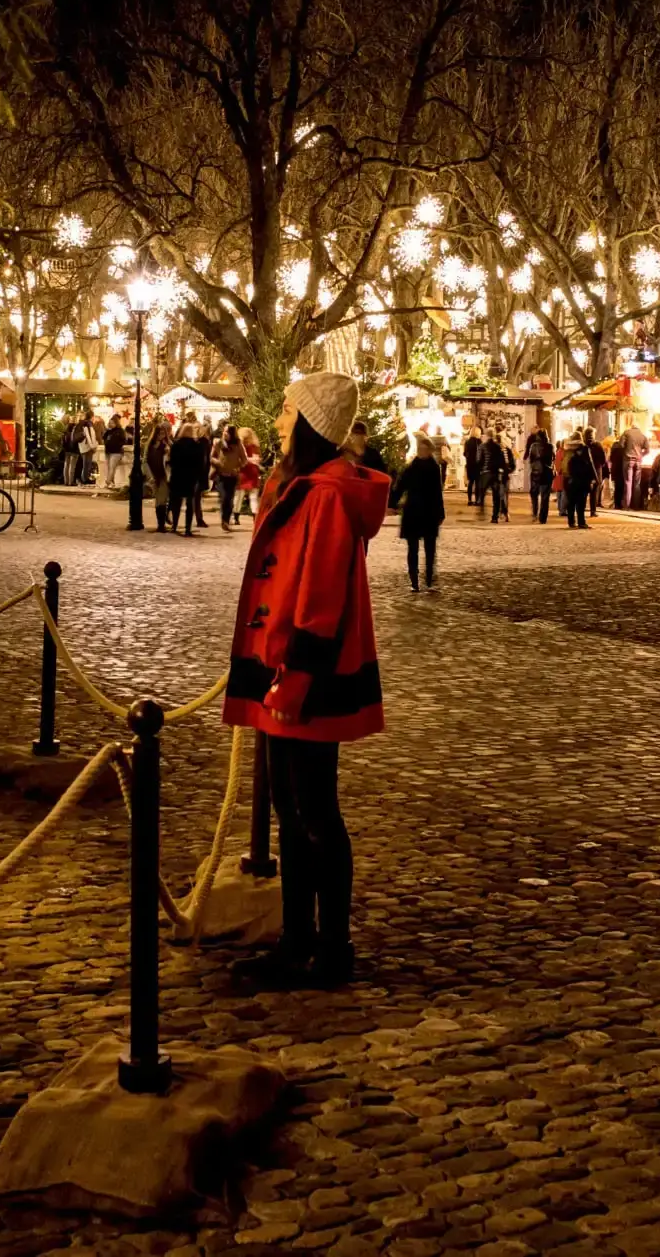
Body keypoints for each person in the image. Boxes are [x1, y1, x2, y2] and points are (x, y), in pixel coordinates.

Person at [225, 371, 388, 990]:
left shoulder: (324, 496)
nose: (277, 419)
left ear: (310, 423)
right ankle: (298, 939)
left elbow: (319, 592)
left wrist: (295, 674)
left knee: (316, 811)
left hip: (305, 671)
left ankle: (329, 945)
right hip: (283, 666)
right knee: (291, 810)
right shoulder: (301, 486)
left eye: (287, 409)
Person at [395, 433, 445, 592]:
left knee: (430, 549)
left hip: (429, 512)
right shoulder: (412, 467)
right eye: (420, 448)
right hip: (413, 512)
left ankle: (429, 578)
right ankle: (414, 580)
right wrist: (391, 502)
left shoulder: (434, 468)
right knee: (413, 548)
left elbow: (438, 492)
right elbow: (401, 486)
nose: (422, 451)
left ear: (430, 450)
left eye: (425, 448)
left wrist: (440, 512)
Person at [168, 420, 210, 536]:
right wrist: (198, 476)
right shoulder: (197, 446)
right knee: (189, 504)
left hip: (177, 476)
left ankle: (174, 526)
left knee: (177, 502)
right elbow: (201, 463)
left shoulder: (176, 445)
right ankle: (187, 528)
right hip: (191, 477)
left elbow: (171, 461)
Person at [212, 423, 247, 530]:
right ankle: (224, 520)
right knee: (224, 498)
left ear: (232, 434)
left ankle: (226, 521)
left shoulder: (237, 444)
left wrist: (238, 467)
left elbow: (244, 459)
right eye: (224, 431)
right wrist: (218, 463)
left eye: (227, 432)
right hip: (221, 476)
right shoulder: (218, 443)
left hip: (232, 476)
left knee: (229, 500)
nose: (224, 433)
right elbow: (211, 457)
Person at [560, 432, 596, 529]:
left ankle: (571, 522)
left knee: (571, 502)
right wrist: (594, 478)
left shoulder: (567, 448)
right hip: (581, 478)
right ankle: (581, 522)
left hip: (568, 479)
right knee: (581, 502)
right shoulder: (584, 448)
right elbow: (590, 463)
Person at [148, 417, 177, 530]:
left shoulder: (166, 446)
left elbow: (172, 457)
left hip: (164, 476)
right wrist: (150, 476)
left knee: (162, 499)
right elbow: (146, 460)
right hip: (154, 476)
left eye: (163, 434)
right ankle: (160, 523)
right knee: (158, 500)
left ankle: (161, 525)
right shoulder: (150, 446)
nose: (161, 436)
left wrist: (168, 448)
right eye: (159, 434)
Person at [524, 426, 555, 523]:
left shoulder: (533, 446)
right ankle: (543, 518)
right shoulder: (550, 446)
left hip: (535, 473)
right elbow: (552, 458)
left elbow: (531, 459)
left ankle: (534, 513)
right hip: (547, 473)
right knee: (545, 496)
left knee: (534, 494)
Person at [235, 426, 263, 518]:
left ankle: (236, 516)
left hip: (242, 473)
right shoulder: (255, 447)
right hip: (252, 472)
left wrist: (247, 460)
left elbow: (238, 460)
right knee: (253, 497)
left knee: (239, 497)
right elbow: (257, 459)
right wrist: (253, 460)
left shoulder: (239, 447)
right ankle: (255, 516)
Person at [488, 428, 511, 523]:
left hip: (499, 476)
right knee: (502, 496)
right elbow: (510, 463)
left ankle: (498, 515)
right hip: (502, 476)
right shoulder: (505, 450)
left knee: (498, 497)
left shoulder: (498, 451)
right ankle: (501, 514)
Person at [584, 429, 609, 517]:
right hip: (596, 471)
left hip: (585, 471)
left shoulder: (583, 445)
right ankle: (593, 511)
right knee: (594, 492)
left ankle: (581, 510)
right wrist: (600, 466)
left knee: (584, 491)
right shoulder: (598, 445)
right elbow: (604, 459)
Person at [606, 432, 631, 512]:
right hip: (621, 469)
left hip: (615, 468)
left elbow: (610, 458)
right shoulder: (623, 449)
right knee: (620, 486)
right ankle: (619, 504)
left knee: (617, 486)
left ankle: (617, 504)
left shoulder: (614, 446)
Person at [102, 414, 128, 490]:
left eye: (112, 423)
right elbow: (103, 438)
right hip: (108, 452)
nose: (110, 424)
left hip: (116, 452)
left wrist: (117, 445)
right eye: (110, 423)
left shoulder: (120, 431)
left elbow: (123, 440)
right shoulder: (109, 431)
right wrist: (107, 431)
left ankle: (107, 482)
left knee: (112, 467)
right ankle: (112, 483)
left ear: (116, 423)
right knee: (109, 467)